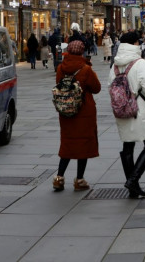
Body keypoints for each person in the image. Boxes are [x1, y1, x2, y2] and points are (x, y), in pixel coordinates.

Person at [110, 31, 145, 198]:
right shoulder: (140, 63)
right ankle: (133, 180)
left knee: (128, 146)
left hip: (122, 109)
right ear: (135, 44)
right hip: (140, 108)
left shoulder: (115, 64)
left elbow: (110, 85)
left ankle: (133, 186)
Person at [53, 40, 101, 192]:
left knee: (67, 143)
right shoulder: (85, 69)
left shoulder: (61, 68)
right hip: (84, 111)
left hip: (66, 111)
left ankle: (59, 178)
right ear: (81, 52)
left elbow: (59, 84)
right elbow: (96, 88)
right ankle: (79, 179)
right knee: (83, 144)